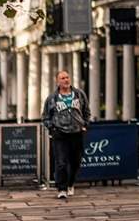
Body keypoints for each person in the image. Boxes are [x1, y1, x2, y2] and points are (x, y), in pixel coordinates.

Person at [42, 70, 89, 199]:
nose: (66, 80)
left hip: (76, 132)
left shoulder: (79, 94)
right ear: (57, 81)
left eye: (67, 77)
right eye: (62, 78)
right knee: (61, 162)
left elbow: (86, 111)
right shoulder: (52, 98)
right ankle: (61, 189)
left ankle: (70, 184)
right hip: (60, 134)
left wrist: (85, 125)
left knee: (75, 162)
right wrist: (52, 128)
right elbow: (45, 117)